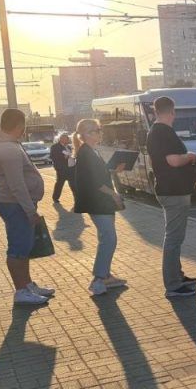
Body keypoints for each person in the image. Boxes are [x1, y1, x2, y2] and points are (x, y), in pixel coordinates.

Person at [0, 108, 52, 305]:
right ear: (20, 125)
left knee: (25, 245)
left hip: (15, 203)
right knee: (19, 247)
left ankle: (27, 284)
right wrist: (30, 211)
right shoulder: (7, 149)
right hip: (14, 204)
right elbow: (17, 184)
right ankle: (21, 290)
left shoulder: (7, 145)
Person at [146, 96, 196, 298]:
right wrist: (191, 156)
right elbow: (174, 161)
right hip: (173, 190)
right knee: (174, 238)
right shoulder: (163, 132)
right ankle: (173, 284)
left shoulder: (155, 131)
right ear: (172, 111)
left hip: (170, 189)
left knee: (175, 237)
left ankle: (177, 275)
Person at [71, 119, 126, 296]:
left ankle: (105, 275)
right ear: (86, 134)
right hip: (97, 202)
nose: (99, 133)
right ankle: (98, 279)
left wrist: (113, 171)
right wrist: (114, 194)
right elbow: (93, 182)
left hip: (101, 202)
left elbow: (99, 174)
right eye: (96, 130)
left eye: (99, 130)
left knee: (108, 238)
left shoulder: (92, 151)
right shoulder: (85, 153)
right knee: (108, 238)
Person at [50, 133, 74, 202]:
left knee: (74, 184)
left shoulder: (69, 147)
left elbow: (72, 154)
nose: (68, 140)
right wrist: (63, 157)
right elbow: (52, 156)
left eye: (68, 138)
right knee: (60, 184)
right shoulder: (55, 147)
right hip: (61, 169)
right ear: (61, 139)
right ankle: (55, 198)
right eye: (67, 138)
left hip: (71, 168)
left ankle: (77, 198)